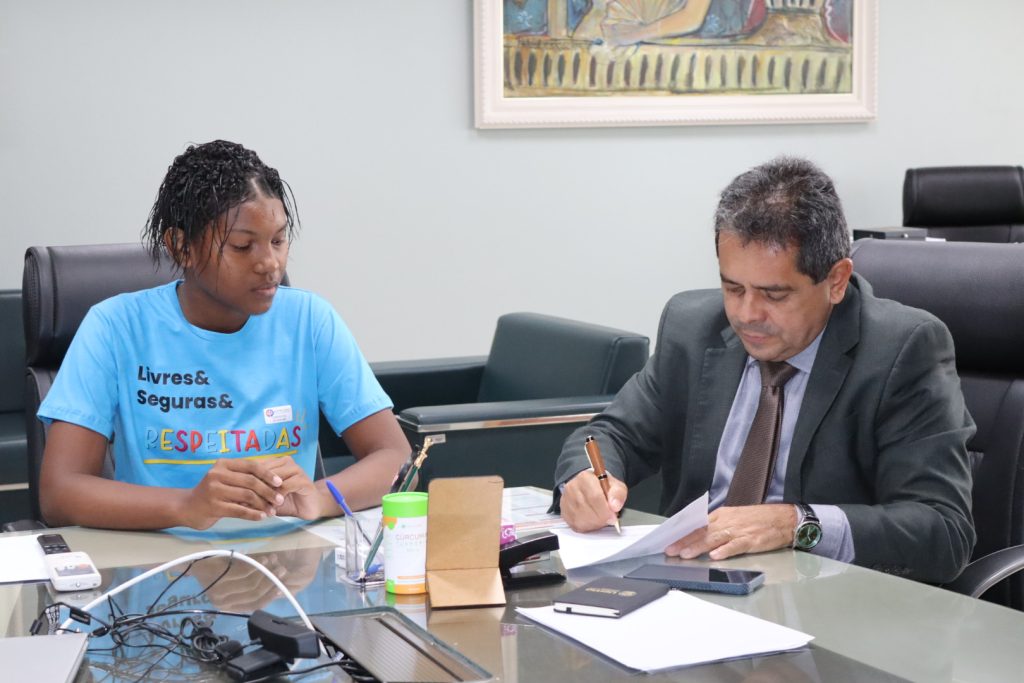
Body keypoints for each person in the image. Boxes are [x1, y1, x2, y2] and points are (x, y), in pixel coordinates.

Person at [555, 157, 976, 584]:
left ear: (836, 281)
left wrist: (795, 523)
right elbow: (612, 434)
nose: (746, 314)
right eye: (732, 288)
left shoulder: (902, 350)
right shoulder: (691, 327)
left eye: (774, 295)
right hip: (688, 585)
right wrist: (585, 479)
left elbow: (943, 531)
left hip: (824, 598)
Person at [38, 140, 410, 530]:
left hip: (289, 556)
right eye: (243, 246)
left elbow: (396, 458)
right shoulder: (115, 327)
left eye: (278, 240)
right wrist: (187, 506)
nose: (270, 263)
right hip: (161, 558)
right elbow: (59, 494)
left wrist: (317, 499)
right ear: (181, 247)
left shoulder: (309, 320)